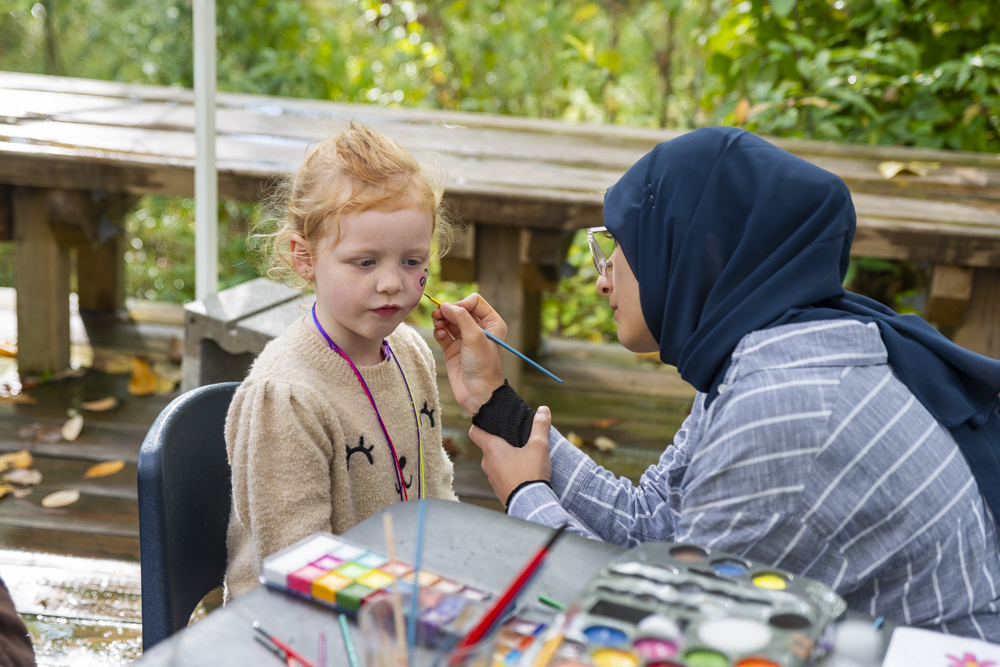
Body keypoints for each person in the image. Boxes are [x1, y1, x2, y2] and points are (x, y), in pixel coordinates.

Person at [431, 127, 1000, 639]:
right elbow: (650, 523)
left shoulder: (784, 409)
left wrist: (525, 496)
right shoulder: (769, 345)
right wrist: (495, 404)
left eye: (619, 246)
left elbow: (657, 625)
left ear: (687, 250)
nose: (603, 280)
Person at [223, 121, 458, 600]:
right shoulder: (286, 397)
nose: (391, 282)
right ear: (304, 256)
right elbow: (298, 559)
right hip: (294, 627)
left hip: (402, 608)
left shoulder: (411, 353)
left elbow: (436, 489)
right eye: (365, 262)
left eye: (412, 261)